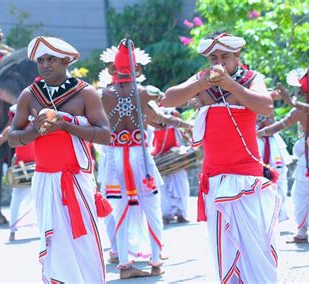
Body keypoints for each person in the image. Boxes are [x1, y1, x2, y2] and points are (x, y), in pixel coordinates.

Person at [163, 32, 279, 283]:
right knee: (224, 249)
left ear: (237, 56)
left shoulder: (251, 79)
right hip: (215, 176)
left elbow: (266, 107)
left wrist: (230, 85)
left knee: (256, 244)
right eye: (213, 58)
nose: (218, 62)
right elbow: (169, 98)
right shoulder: (203, 80)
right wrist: (200, 84)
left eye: (224, 57)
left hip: (247, 176)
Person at [7, 36, 110, 283]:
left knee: (83, 242)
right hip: (44, 180)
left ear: (66, 60)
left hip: (76, 180)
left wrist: (65, 124)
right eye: (40, 60)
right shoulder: (29, 95)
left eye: (51, 59)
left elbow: (105, 135)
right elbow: (12, 138)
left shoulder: (85, 93)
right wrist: (35, 131)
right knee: (53, 244)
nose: (44, 64)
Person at [98, 40, 192, 279]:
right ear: (136, 69)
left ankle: (125, 264)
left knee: (119, 209)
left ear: (112, 69)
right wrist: (186, 124)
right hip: (139, 155)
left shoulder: (102, 95)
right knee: (151, 205)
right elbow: (160, 119)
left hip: (115, 157)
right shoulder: (145, 92)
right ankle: (156, 261)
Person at [257, 68, 309, 243]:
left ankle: (301, 233)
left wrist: (258, 132)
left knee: (301, 194)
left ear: (301, 92)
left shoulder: (298, 111)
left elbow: (278, 126)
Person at [0, 105, 36, 241]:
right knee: (16, 200)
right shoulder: (11, 130)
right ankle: (13, 231)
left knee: (44, 199)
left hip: (37, 168)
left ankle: (47, 230)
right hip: (20, 169)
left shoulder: (36, 128)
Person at [151, 108, 193, 224]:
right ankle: (166, 215)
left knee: (181, 187)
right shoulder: (152, 117)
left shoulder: (173, 114)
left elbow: (184, 131)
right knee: (163, 190)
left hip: (175, 157)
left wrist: (191, 142)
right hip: (159, 159)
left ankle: (181, 214)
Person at [256, 112, 294, 222]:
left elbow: (271, 123)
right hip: (258, 142)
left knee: (280, 180)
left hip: (272, 144)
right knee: (260, 180)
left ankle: (280, 213)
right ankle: (265, 215)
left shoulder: (268, 104)